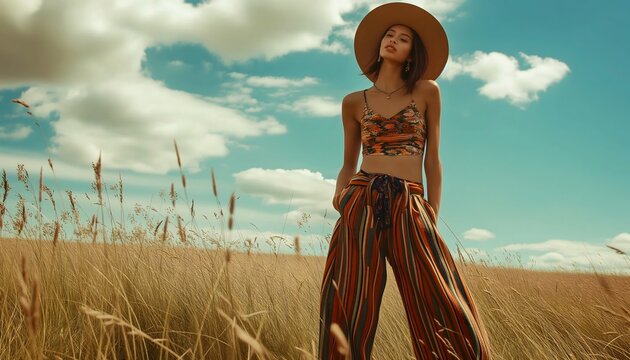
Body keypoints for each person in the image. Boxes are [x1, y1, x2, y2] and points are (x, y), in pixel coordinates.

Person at [318, 2, 493, 359]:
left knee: (438, 294)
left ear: (414, 52)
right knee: (349, 296)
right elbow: (347, 162)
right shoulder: (353, 102)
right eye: (389, 35)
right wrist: (340, 196)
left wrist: (431, 211)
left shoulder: (428, 91)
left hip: (410, 200)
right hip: (361, 198)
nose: (393, 41)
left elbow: (433, 158)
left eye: (404, 38)